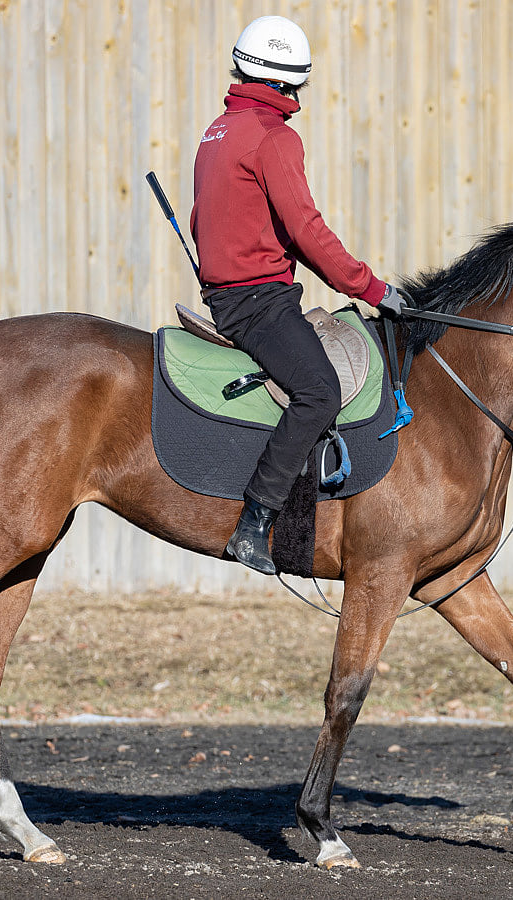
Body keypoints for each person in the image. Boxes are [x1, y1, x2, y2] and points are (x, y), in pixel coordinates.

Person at [191, 14, 410, 575]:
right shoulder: (273, 138)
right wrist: (371, 288)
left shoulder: (217, 131)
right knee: (319, 389)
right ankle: (255, 522)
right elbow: (307, 230)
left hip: (228, 295)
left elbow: (201, 218)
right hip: (259, 303)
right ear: (286, 83)